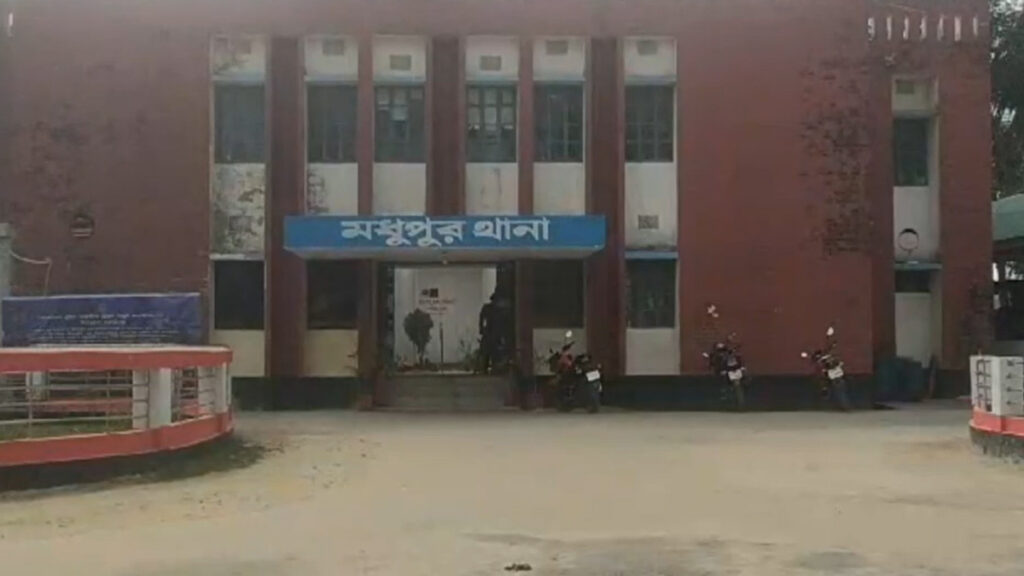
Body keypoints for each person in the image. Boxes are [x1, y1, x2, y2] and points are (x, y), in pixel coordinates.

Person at [478, 294, 497, 374]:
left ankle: (491, 368)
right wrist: (481, 328)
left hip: (494, 331)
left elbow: (481, 318)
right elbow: (482, 318)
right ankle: (485, 368)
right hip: (490, 331)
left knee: (491, 350)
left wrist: (481, 328)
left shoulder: (493, 308)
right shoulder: (488, 308)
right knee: (487, 350)